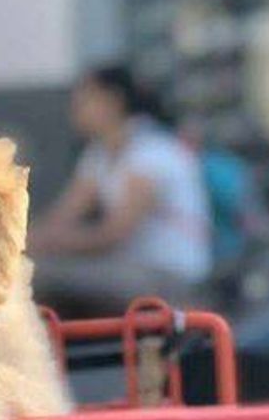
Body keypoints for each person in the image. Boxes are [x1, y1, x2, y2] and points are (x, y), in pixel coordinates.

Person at [30, 65, 212, 316]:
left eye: (84, 100)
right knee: (27, 270)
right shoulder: (99, 154)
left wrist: (46, 244)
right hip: (126, 270)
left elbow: (113, 234)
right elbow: (64, 214)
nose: (74, 109)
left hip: (166, 276)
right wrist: (23, 242)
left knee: (38, 275)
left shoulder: (151, 150)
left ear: (112, 102)